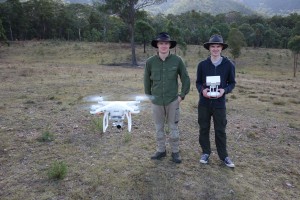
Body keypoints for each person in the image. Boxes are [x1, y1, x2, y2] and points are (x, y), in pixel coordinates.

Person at [144, 32, 190, 164]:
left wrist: (181, 96)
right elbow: (147, 80)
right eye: (161, 43)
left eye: (166, 43)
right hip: (157, 101)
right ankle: (161, 150)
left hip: (172, 101)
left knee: (173, 128)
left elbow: (185, 79)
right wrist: (149, 96)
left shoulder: (177, 60)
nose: (163, 46)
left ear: (170, 45)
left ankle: (175, 152)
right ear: (157, 45)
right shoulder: (150, 62)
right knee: (158, 128)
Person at [196, 34, 236, 168]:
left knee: (220, 130)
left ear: (221, 48)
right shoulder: (202, 65)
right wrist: (203, 91)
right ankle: (205, 153)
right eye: (213, 46)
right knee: (204, 128)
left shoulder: (228, 65)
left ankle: (224, 156)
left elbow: (232, 83)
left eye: (218, 46)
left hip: (219, 104)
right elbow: (198, 82)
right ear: (209, 48)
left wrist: (224, 90)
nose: (215, 49)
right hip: (204, 103)